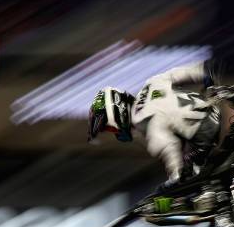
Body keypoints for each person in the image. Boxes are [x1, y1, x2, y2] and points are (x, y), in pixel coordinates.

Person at [87, 61, 220, 191]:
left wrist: (175, 177)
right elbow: (177, 73)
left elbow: (169, 146)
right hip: (213, 109)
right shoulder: (150, 84)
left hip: (204, 135)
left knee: (190, 187)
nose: (113, 132)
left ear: (116, 113)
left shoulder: (142, 120)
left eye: (109, 127)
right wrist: (201, 72)